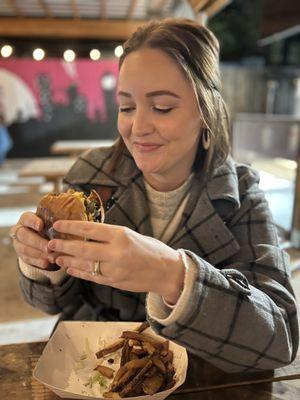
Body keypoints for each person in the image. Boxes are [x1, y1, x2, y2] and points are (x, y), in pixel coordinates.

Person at [10, 18, 298, 373]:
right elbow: (50, 302)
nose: (138, 127)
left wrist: (173, 276)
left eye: (162, 107)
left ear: (205, 112)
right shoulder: (91, 176)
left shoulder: (241, 194)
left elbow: (280, 338)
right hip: (92, 371)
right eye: (127, 107)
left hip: (195, 378)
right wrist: (42, 262)